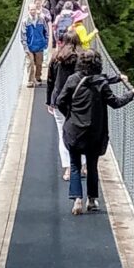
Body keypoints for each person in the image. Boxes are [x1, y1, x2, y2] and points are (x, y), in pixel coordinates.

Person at [57, 50, 132, 214]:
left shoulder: (72, 79)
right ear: (97, 64)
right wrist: (131, 94)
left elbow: (59, 101)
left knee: (75, 165)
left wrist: (69, 116)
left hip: (74, 130)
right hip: (94, 133)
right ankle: (92, 200)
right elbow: (116, 102)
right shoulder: (100, 83)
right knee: (92, 166)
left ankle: (77, 200)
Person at [45, 42, 79, 179]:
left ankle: (68, 169)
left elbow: (50, 81)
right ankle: (81, 166)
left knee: (62, 134)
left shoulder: (55, 58)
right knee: (79, 133)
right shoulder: (80, 60)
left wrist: (49, 101)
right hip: (76, 101)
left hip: (58, 100)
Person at [22, 3, 49, 86]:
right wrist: (25, 46)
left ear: (36, 10)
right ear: (28, 10)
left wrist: (46, 42)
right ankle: (30, 80)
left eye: (34, 9)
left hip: (39, 45)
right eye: (31, 9)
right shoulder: (25, 21)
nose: (33, 11)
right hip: (29, 46)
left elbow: (46, 31)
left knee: (39, 63)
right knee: (30, 63)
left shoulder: (41, 20)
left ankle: (37, 77)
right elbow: (23, 35)